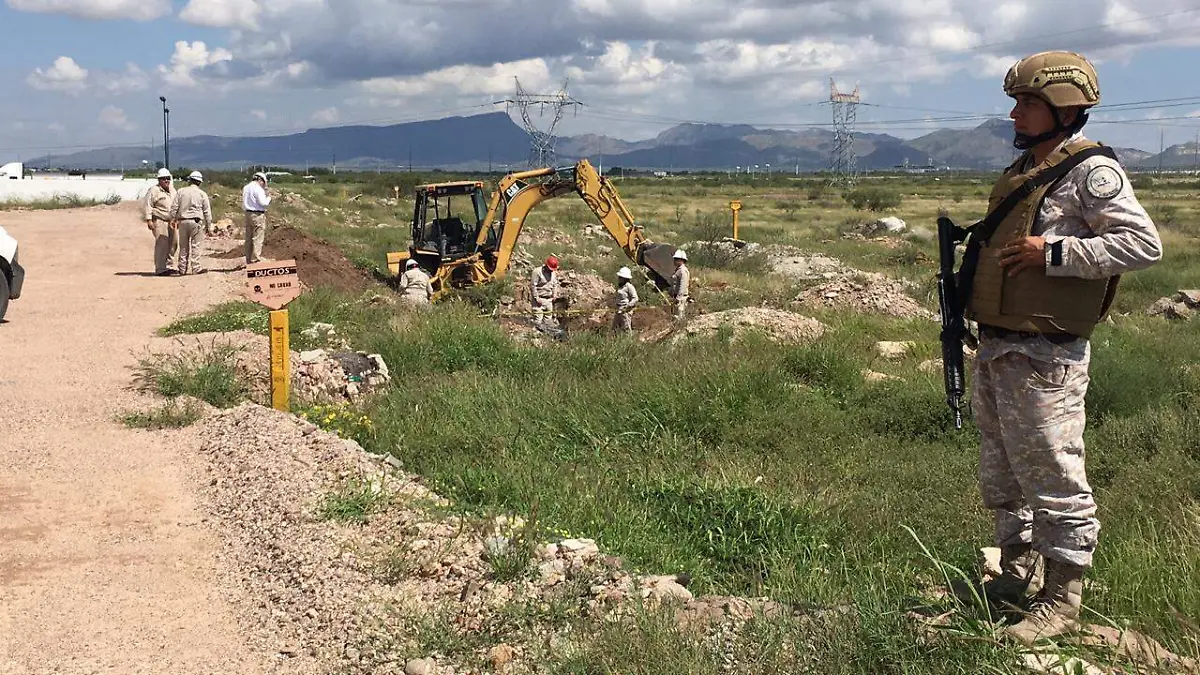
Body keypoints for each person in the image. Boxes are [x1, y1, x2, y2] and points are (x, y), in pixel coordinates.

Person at [966, 50, 1162, 645]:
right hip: (1001, 346)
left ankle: (1062, 598)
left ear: (1065, 107)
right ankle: (1016, 568)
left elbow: (1141, 244)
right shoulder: (1028, 166)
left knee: (1053, 471)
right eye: (1016, 102)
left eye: (1026, 102)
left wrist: (1053, 254)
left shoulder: (1089, 173)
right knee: (1002, 468)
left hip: (1046, 354)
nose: (1015, 113)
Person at [170, 171, 213, 275]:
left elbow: (174, 207)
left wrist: (172, 219)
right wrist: (208, 226)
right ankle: (196, 268)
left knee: (183, 246)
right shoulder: (202, 194)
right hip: (196, 222)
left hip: (183, 222)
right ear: (199, 182)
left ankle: (182, 269)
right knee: (196, 245)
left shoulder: (181, 192)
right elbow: (207, 211)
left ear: (190, 180)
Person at [142, 168, 178, 276]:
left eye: (168, 178)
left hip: (171, 220)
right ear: (159, 180)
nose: (166, 181)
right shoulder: (154, 190)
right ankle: (160, 268)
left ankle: (170, 266)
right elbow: (148, 205)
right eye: (164, 179)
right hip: (159, 219)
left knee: (173, 243)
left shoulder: (173, 190)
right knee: (162, 243)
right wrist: (149, 220)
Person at [242, 171, 271, 266]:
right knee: (258, 237)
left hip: (247, 214)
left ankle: (248, 259)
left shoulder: (246, 187)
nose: (263, 184)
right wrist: (269, 198)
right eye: (263, 182)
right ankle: (256, 259)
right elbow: (263, 203)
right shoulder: (258, 189)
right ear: (260, 179)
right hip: (257, 214)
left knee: (248, 238)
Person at [530, 255, 559, 327]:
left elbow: (555, 284)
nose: (551, 271)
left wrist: (554, 294)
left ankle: (547, 336)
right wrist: (537, 298)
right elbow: (533, 286)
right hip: (539, 300)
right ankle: (536, 336)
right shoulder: (537, 272)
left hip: (549, 300)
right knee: (538, 320)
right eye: (550, 269)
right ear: (546, 265)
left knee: (548, 321)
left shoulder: (553, 273)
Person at [611, 266, 638, 333]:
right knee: (615, 328)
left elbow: (635, 298)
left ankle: (629, 342)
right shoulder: (620, 286)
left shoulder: (629, 286)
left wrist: (628, 305)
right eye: (619, 277)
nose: (619, 279)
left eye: (621, 277)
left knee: (626, 329)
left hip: (625, 311)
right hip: (618, 310)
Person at [669, 249, 690, 321]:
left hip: (681, 299)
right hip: (677, 298)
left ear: (681, 260)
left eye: (676, 259)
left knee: (679, 318)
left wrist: (678, 298)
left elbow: (683, 285)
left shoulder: (683, 271)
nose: (674, 261)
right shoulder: (678, 270)